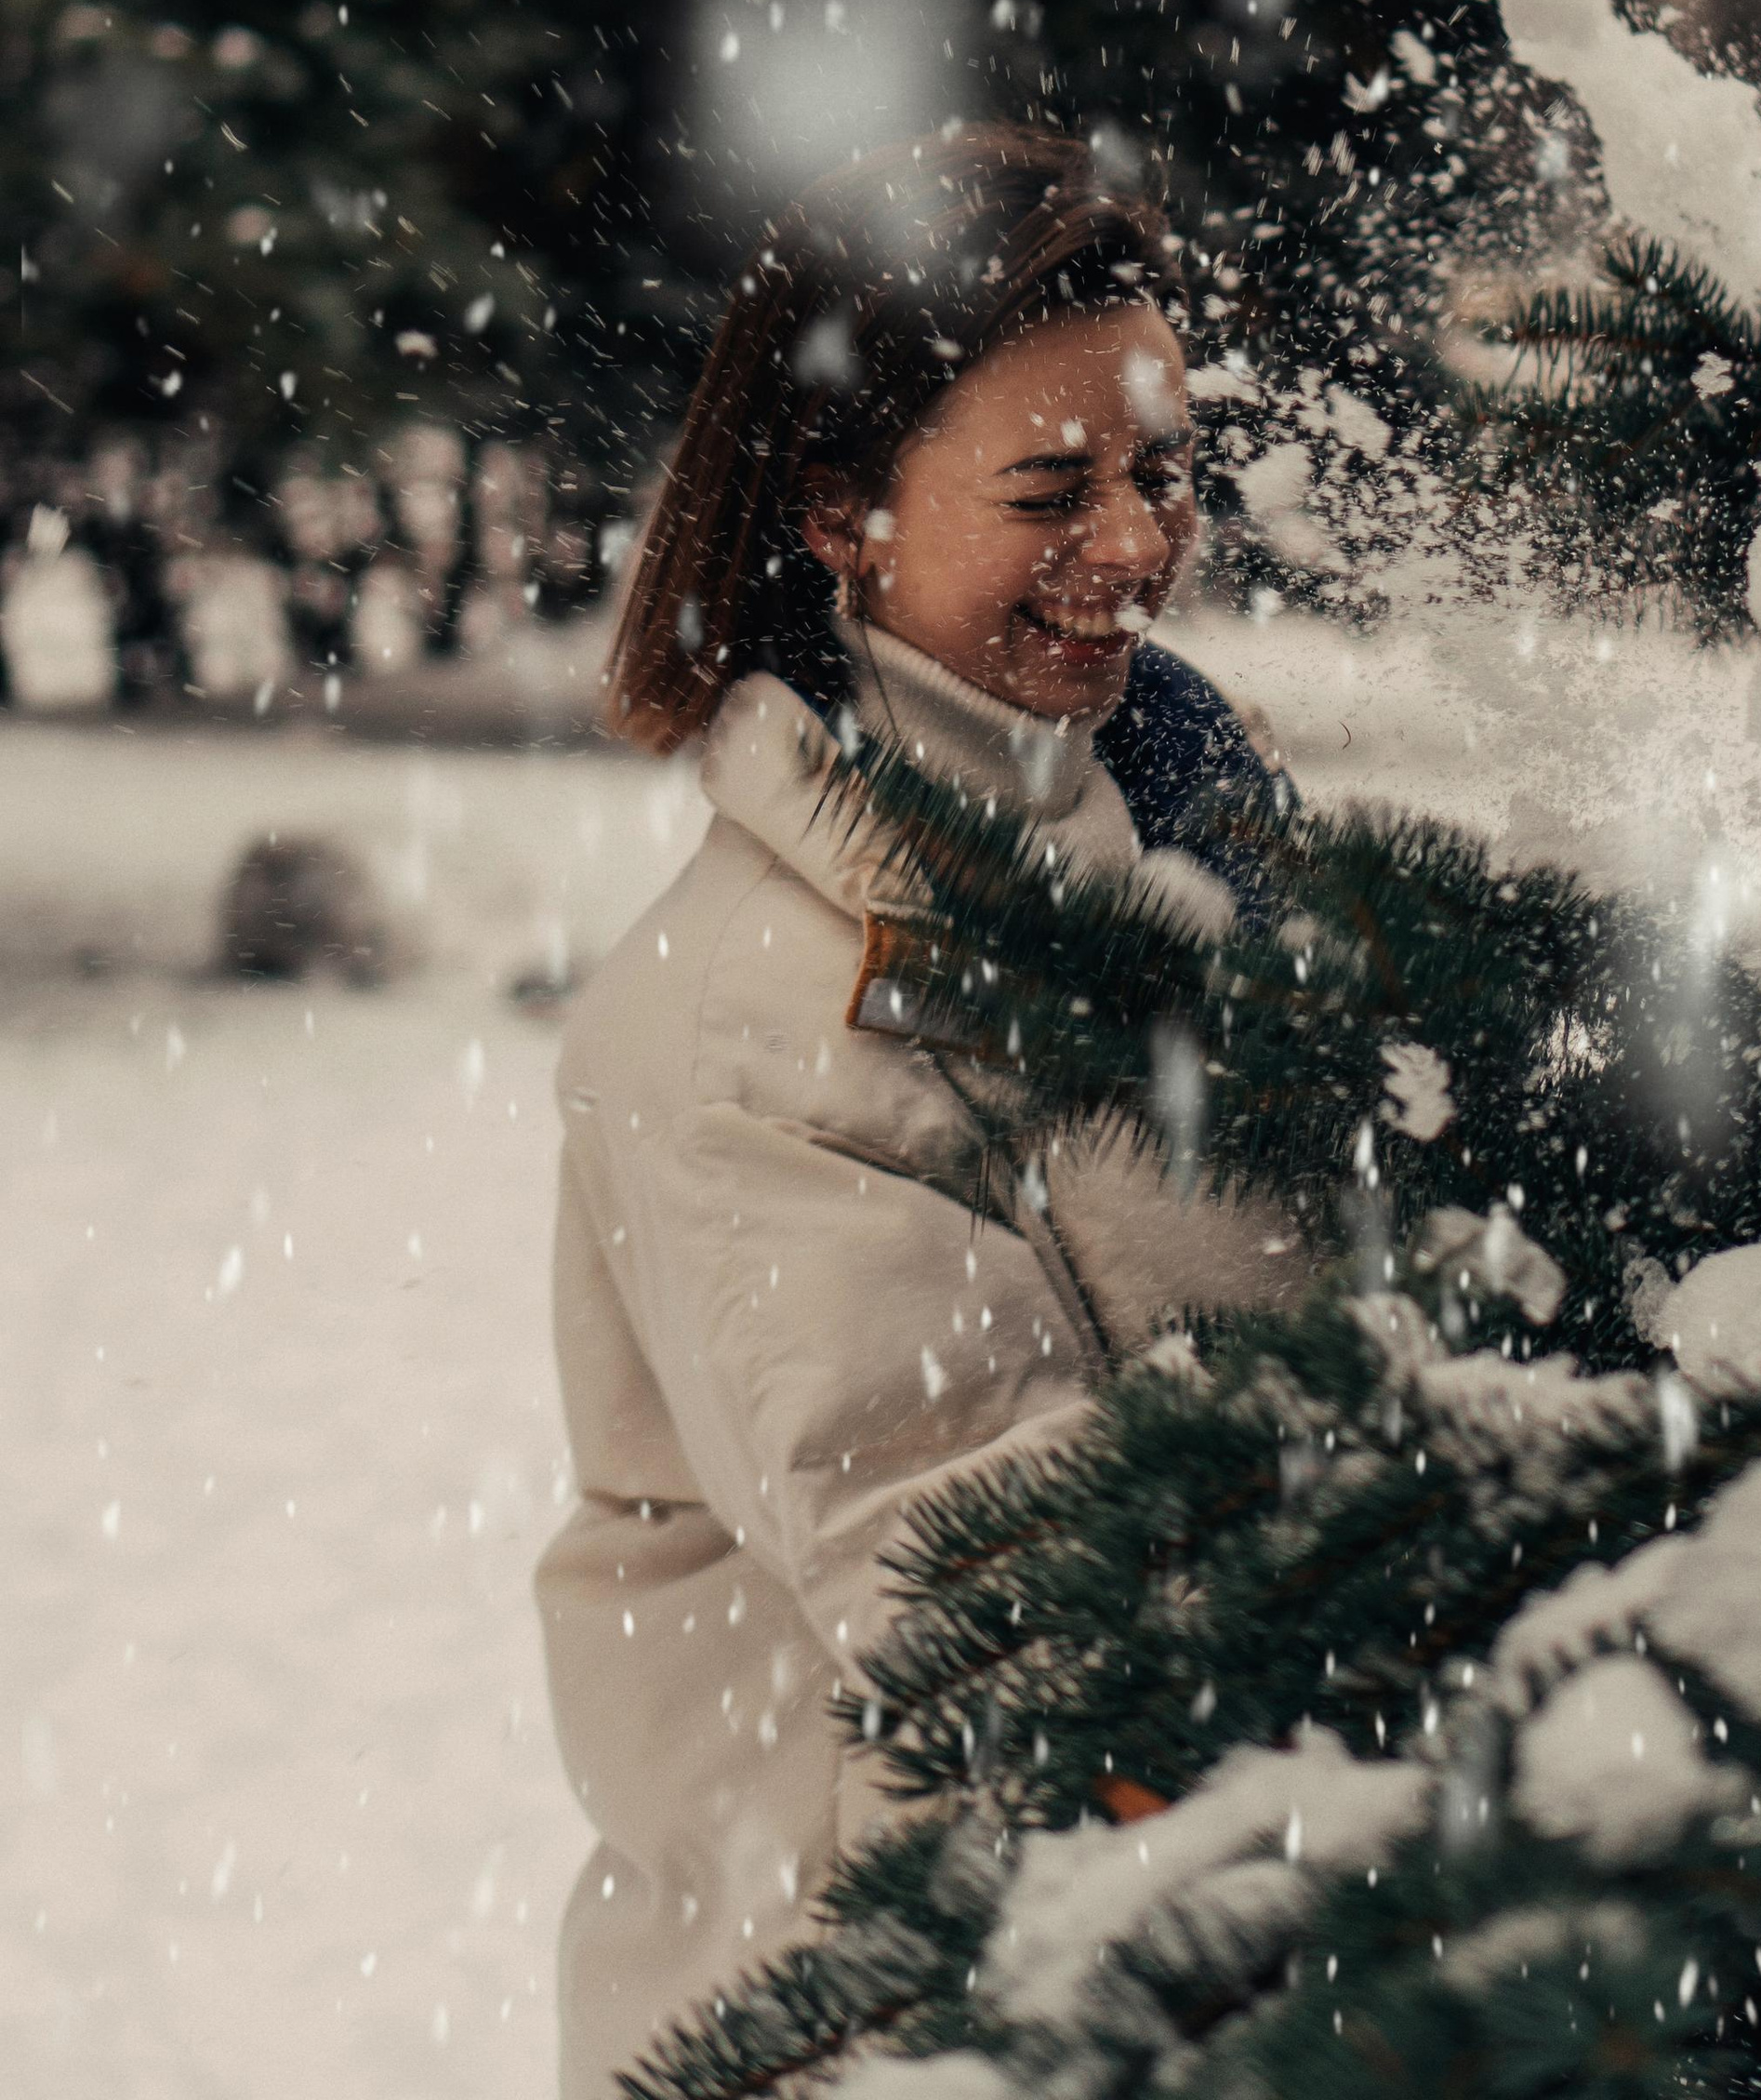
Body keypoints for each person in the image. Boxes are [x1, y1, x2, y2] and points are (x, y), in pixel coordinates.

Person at [536, 125, 1296, 2096]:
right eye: (1051, 486)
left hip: (1194, 1968)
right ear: (837, 508)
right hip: (902, 2020)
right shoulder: (742, 1028)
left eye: (1162, 473)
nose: (1133, 544)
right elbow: (998, 1611)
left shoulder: (1195, 852)